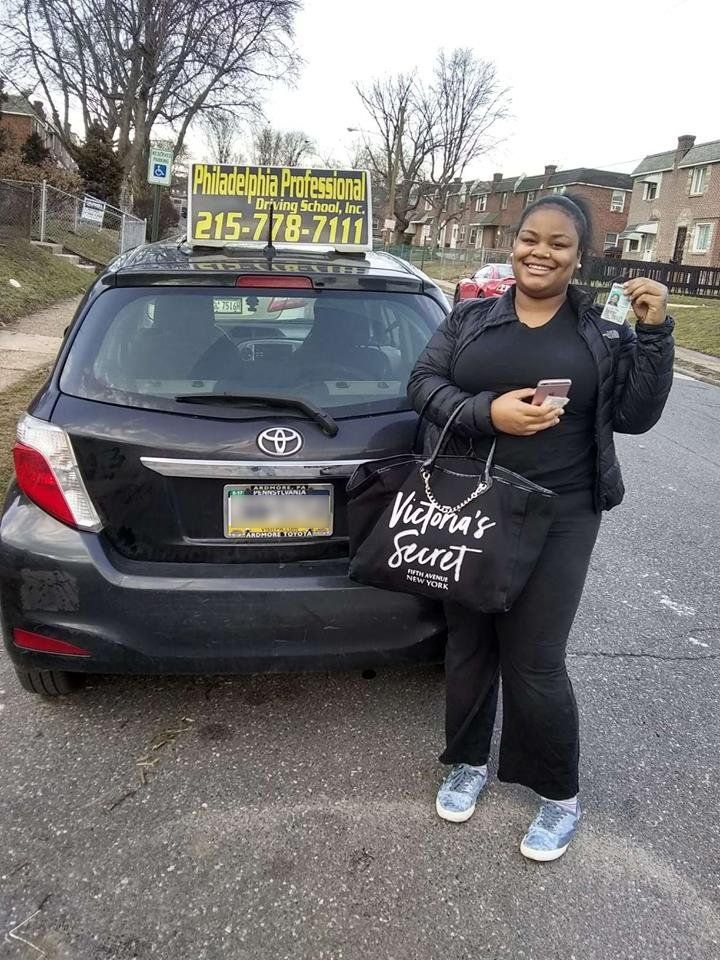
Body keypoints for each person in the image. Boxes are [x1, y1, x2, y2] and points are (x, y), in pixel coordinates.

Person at [407, 194, 675, 861]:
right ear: (513, 243)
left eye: (559, 244)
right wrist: (484, 412)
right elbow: (421, 382)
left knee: (535, 659)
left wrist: (657, 331)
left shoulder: (602, 330)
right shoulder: (472, 319)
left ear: (580, 256)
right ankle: (468, 763)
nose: (540, 252)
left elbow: (637, 417)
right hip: (470, 506)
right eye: (530, 238)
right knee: (469, 647)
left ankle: (559, 795)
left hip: (561, 513)